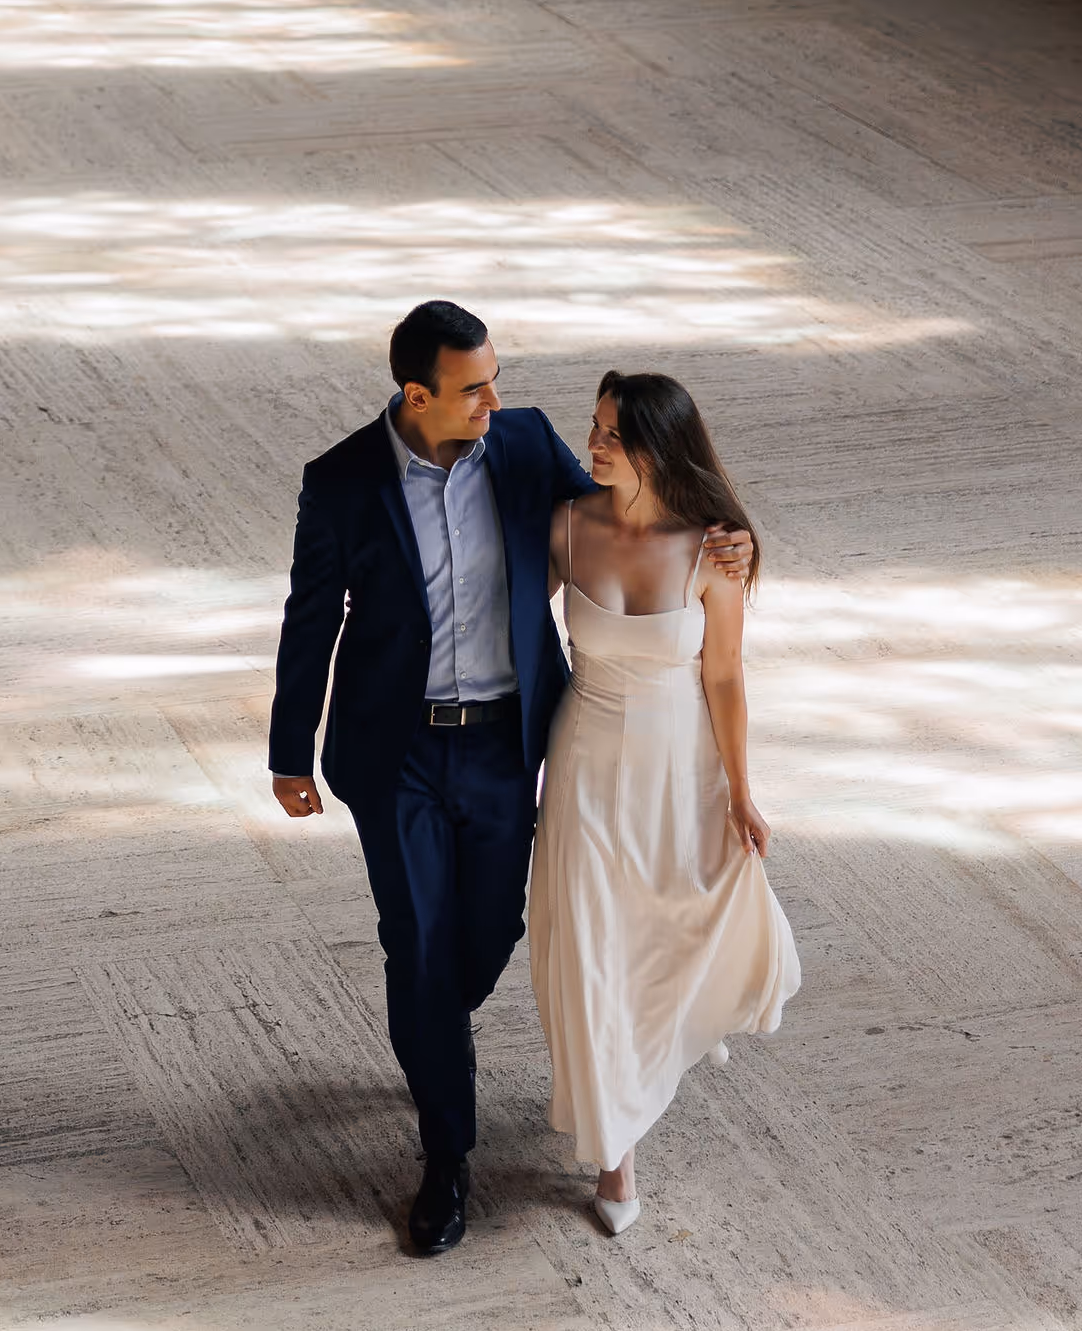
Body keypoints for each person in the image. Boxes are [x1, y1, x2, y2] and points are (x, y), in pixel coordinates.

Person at [268, 302, 751, 1256]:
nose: (497, 401)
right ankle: (446, 1159)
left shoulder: (524, 445)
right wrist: (290, 751)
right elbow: (310, 617)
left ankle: (430, 1030)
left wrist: (725, 537)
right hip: (396, 751)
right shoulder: (343, 480)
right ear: (418, 396)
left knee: (487, 933)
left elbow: (629, 510)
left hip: (506, 742)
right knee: (419, 941)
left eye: (496, 380)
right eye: (475, 388)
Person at [529, 371, 800, 1237]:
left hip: (680, 764)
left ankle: (678, 1027)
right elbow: (498, 618)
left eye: (615, 434)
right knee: (592, 945)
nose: (594, 444)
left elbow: (724, 677)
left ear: (660, 447)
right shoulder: (568, 526)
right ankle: (616, 1153)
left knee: (669, 926)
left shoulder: (714, 552)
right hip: (585, 759)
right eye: (594, 426)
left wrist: (742, 793)